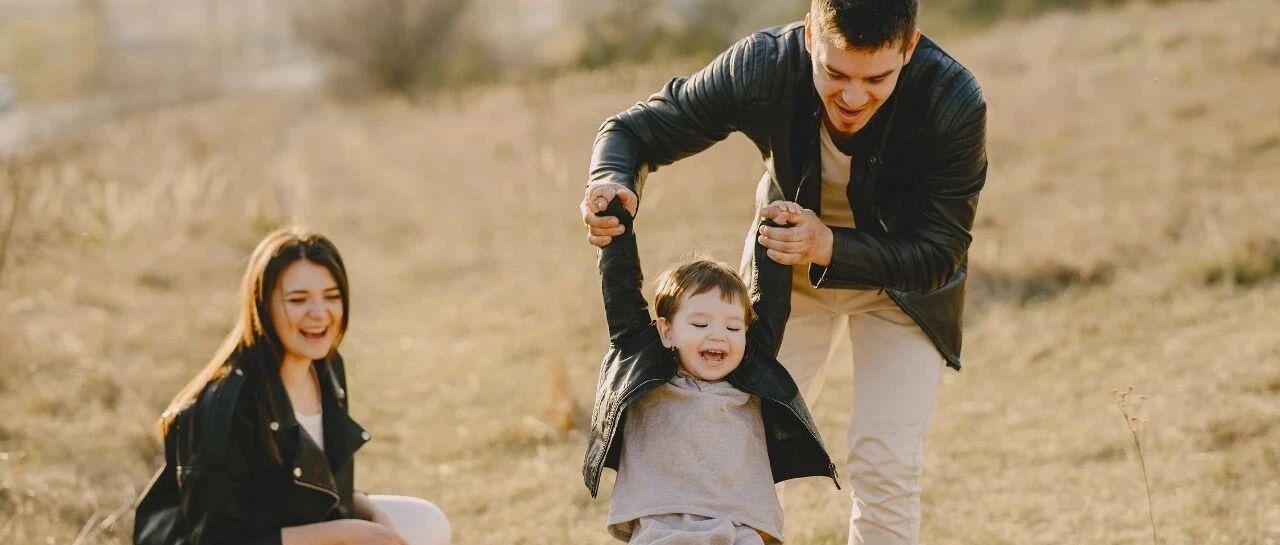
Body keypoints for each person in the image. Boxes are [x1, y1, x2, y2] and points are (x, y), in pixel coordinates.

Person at [578, 1, 987, 543]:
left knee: (885, 463)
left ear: (909, 47)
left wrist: (829, 244)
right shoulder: (762, 66)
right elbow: (637, 129)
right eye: (835, 72)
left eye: (878, 77)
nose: (853, 96)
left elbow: (940, 253)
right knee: (744, 448)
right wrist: (611, 181)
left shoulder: (952, 99)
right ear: (811, 34)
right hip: (782, 279)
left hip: (905, 289)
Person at [133, 227, 450, 545]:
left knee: (426, 524)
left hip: (298, 529)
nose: (319, 313)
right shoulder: (227, 402)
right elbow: (213, 539)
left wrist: (368, 513)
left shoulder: (327, 368)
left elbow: (313, 486)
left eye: (332, 296)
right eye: (298, 300)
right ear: (263, 306)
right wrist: (341, 534)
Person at [584, 198, 838, 544]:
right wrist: (614, 221)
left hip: (740, 528)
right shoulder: (646, 366)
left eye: (733, 328)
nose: (718, 334)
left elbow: (774, 303)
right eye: (701, 323)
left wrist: (778, 228)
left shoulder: (750, 372)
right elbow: (621, 293)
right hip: (662, 526)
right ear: (666, 331)